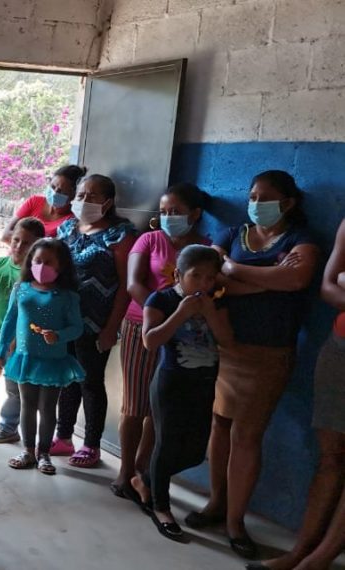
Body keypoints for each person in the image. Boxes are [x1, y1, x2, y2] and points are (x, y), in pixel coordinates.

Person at [187, 170, 319, 560]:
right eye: (253, 196)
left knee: (247, 435)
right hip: (226, 346)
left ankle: (235, 521)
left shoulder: (301, 239)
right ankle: (216, 503)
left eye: (266, 197)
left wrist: (235, 269)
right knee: (219, 425)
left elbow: (296, 280)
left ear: (288, 202)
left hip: (269, 353)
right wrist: (267, 280)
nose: (257, 203)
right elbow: (211, 281)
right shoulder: (233, 233)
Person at [252, 218, 345, 569]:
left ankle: (319, 559)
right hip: (340, 347)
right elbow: (329, 287)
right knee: (330, 455)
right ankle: (300, 550)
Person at [113, 184, 212, 500]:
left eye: (176, 212)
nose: (168, 217)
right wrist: (161, 314)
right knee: (134, 404)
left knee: (160, 408)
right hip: (141, 326)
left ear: (195, 214)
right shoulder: (149, 240)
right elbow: (133, 284)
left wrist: (178, 322)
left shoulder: (205, 249)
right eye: (164, 211)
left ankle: (144, 472)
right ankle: (125, 472)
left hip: (185, 335)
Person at [131, 245, 234, 543]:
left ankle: (145, 479)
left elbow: (227, 340)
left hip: (204, 383)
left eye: (210, 278)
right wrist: (181, 313)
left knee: (195, 452)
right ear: (178, 274)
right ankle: (161, 507)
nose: (203, 283)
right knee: (166, 444)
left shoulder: (216, 301)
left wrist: (209, 312)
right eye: (196, 276)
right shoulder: (161, 299)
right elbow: (150, 341)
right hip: (171, 382)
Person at [53, 174, 137, 468]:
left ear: (108, 202)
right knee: (67, 378)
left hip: (96, 322)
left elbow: (126, 285)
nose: (84, 200)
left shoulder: (119, 235)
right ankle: (63, 436)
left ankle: (91, 444)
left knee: (90, 381)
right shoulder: (66, 228)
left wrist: (112, 327)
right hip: (64, 320)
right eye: (81, 195)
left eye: (92, 196)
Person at [0, 239, 86, 475]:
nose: (42, 266)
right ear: (30, 262)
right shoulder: (21, 288)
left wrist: (59, 335)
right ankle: (28, 450)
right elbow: (10, 320)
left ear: (61, 265)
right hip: (25, 358)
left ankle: (43, 452)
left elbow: (77, 327)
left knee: (47, 407)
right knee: (27, 404)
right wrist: (1, 350)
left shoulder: (67, 296)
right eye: (38, 261)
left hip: (53, 361)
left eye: (48, 262)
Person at [0, 217, 46, 444]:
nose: (19, 246)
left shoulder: (35, 276)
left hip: (17, 341)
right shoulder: (0, 264)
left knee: (13, 386)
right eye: (16, 240)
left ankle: (8, 426)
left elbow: (34, 312)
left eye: (26, 243)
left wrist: (18, 338)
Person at [2, 164, 85, 241]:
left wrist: (21, 240)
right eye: (53, 187)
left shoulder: (71, 222)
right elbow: (6, 235)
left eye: (61, 191)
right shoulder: (34, 201)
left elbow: (55, 250)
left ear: (73, 195)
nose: (55, 193)